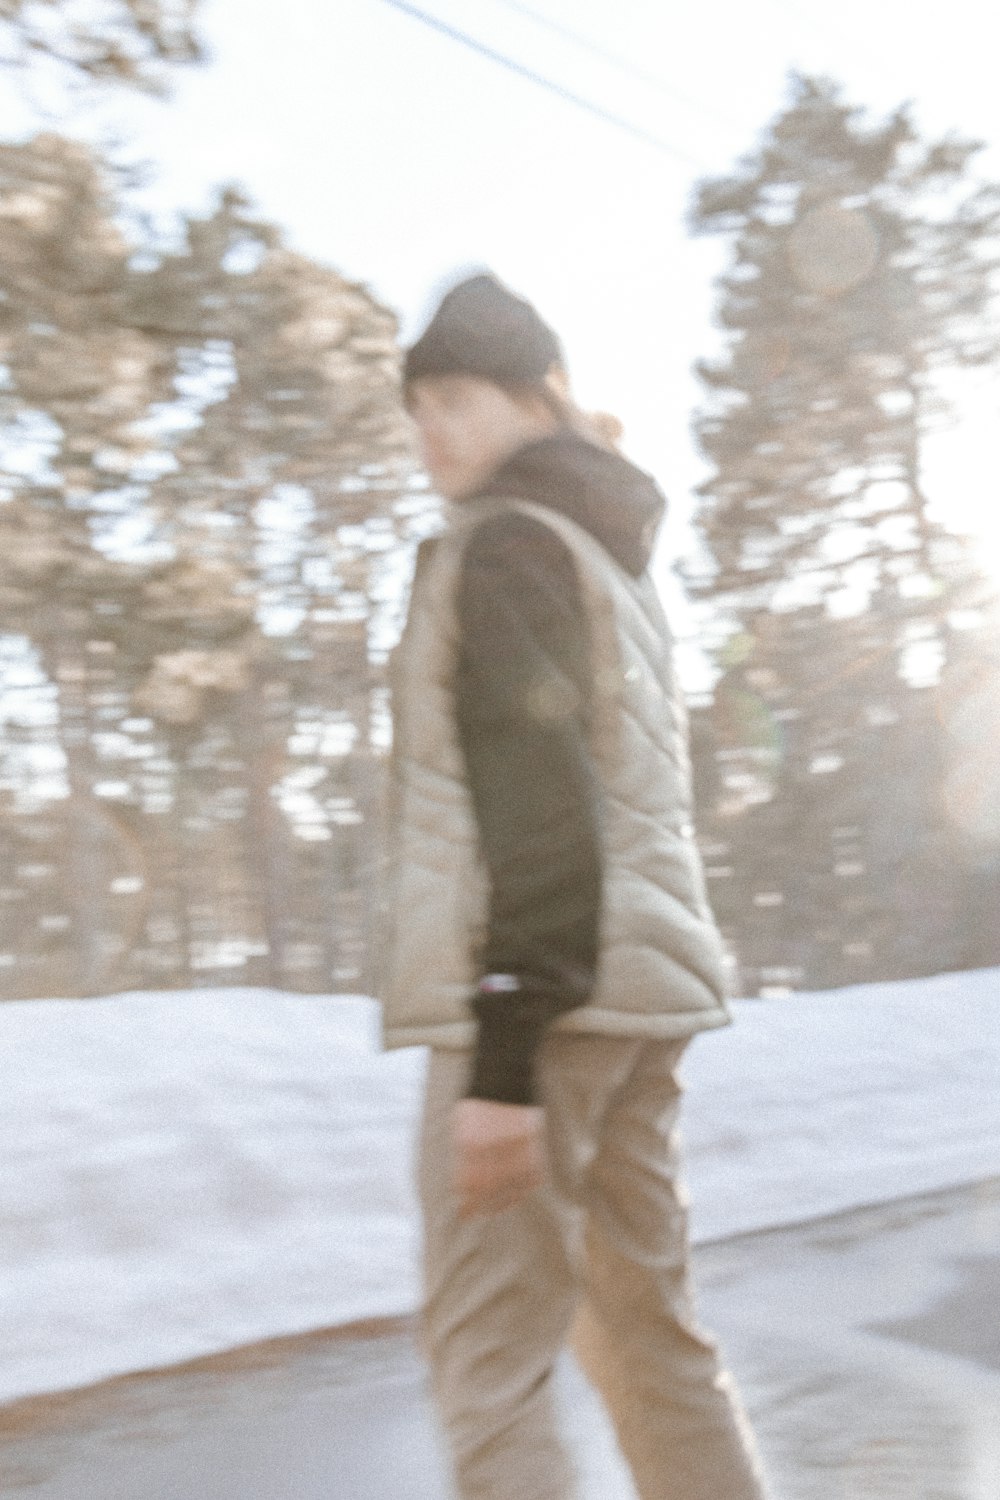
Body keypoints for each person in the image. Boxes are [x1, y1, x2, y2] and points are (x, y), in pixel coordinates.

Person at [380, 272, 771, 1500]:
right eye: (414, 407)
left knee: (488, 1357)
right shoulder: (611, 554)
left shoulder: (508, 545)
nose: (428, 430)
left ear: (537, 397)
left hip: (541, 1007)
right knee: (650, 1343)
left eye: (452, 397)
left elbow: (538, 803)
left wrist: (503, 1058)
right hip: (636, 1003)